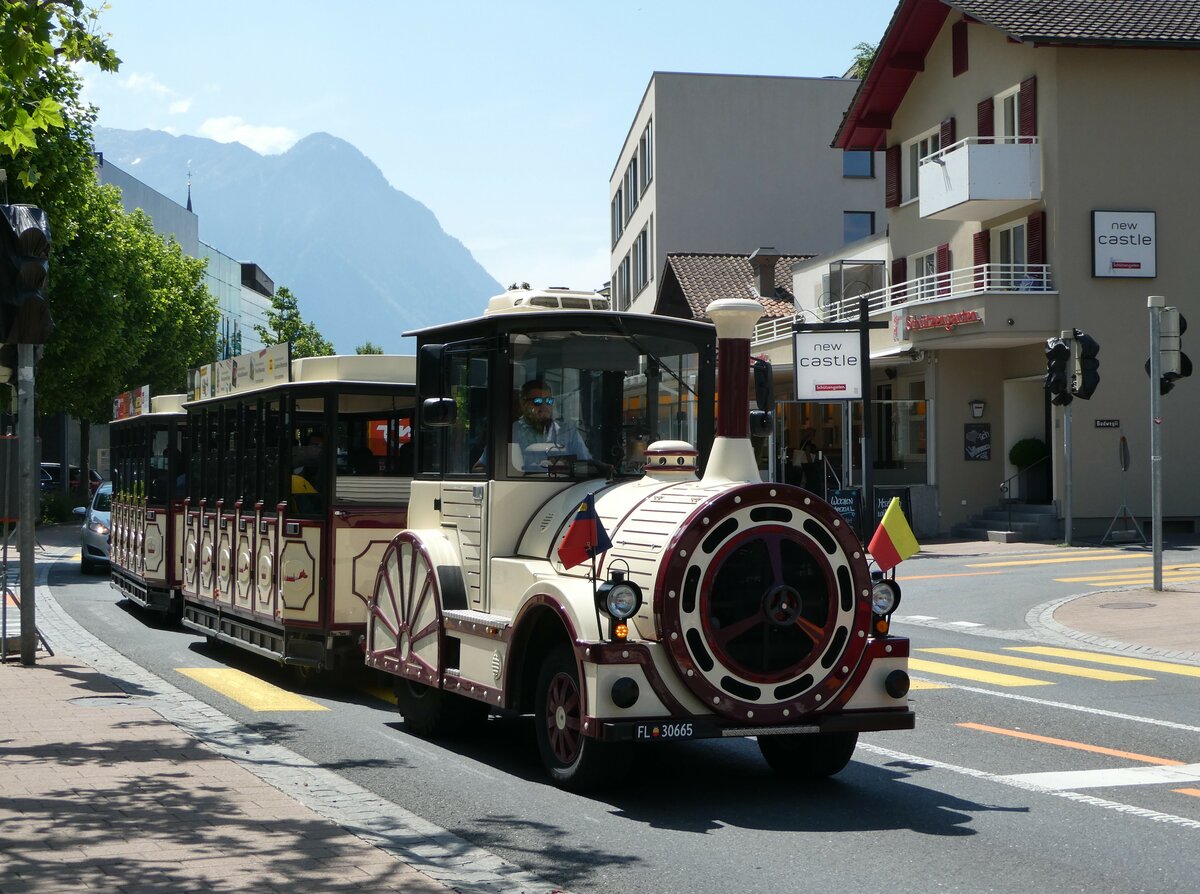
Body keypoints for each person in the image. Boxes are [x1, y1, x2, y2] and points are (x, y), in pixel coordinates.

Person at [510, 378, 591, 473]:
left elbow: (587, 465)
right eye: (538, 401)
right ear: (523, 403)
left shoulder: (568, 432)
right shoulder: (511, 432)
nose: (544, 406)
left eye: (549, 401)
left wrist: (567, 466)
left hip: (565, 485)